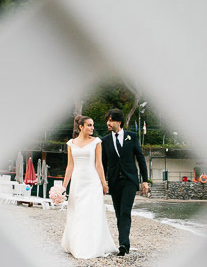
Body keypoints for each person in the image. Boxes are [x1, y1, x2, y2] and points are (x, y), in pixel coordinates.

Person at [61, 116, 118, 259]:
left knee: (92, 212)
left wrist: (104, 183)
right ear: (81, 127)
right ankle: (76, 244)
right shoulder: (71, 143)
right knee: (77, 212)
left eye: (93, 125)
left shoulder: (97, 142)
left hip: (92, 182)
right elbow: (70, 166)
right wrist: (63, 187)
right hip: (77, 182)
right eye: (89, 125)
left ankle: (92, 245)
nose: (92, 128)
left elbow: (99, 165)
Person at [101, 109, 149, 256]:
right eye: (107, 120)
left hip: (130, 180)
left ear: (119, 122)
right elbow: (102, 163)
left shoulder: (132, 137)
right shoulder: (104, 140)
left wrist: (145, 181)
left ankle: (123, 244)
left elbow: (140, 159)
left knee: (125, 212)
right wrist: (103, 181)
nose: (108, 123)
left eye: (111, 120)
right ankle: (123, 243)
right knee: (118, 213)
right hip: (114, 182)